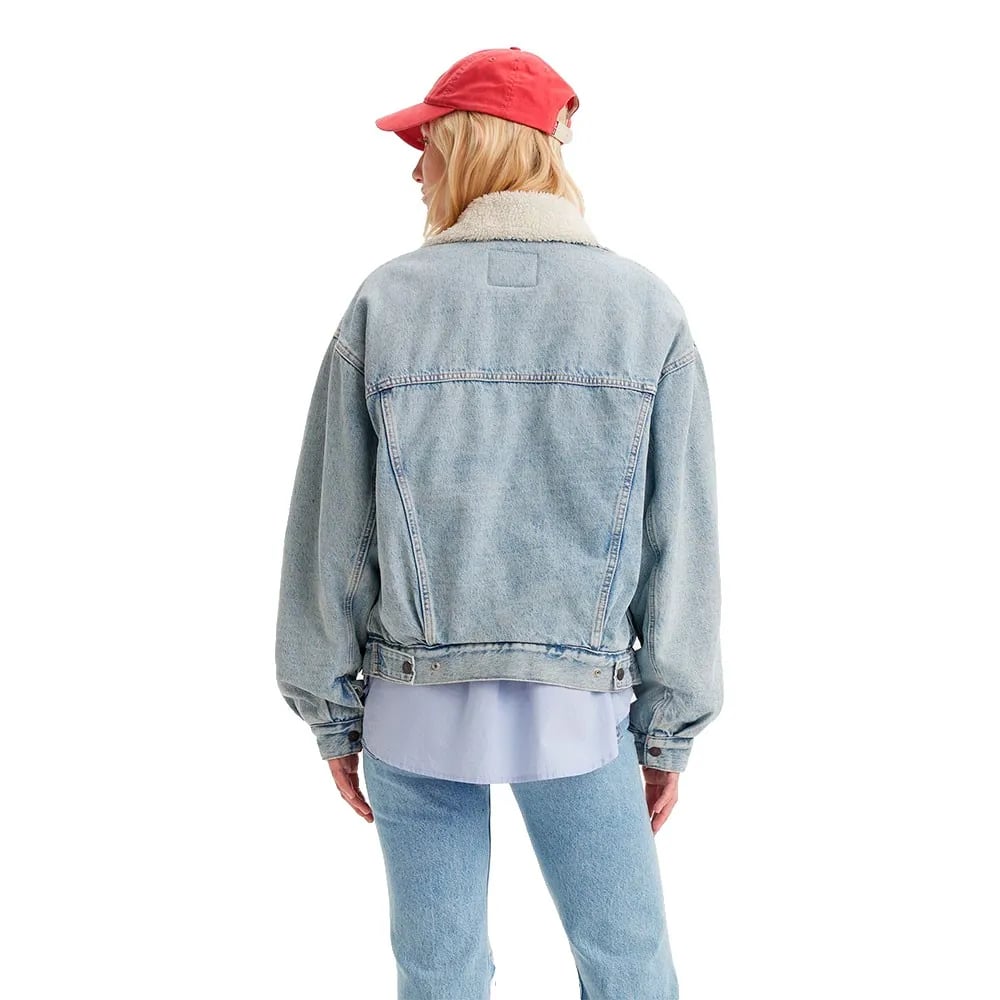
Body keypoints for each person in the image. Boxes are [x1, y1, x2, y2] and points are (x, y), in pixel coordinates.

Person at [274, 46, 724, 1000]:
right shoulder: (644, 309)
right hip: (581, 709)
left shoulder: (388, 302)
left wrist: (330, 708)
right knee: (628, 965)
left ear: (475, 145)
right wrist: (666, 730)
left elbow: (331, 532)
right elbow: (680, 543)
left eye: (428, 145)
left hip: (412, 702)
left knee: (437, 972)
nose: (416, 171)